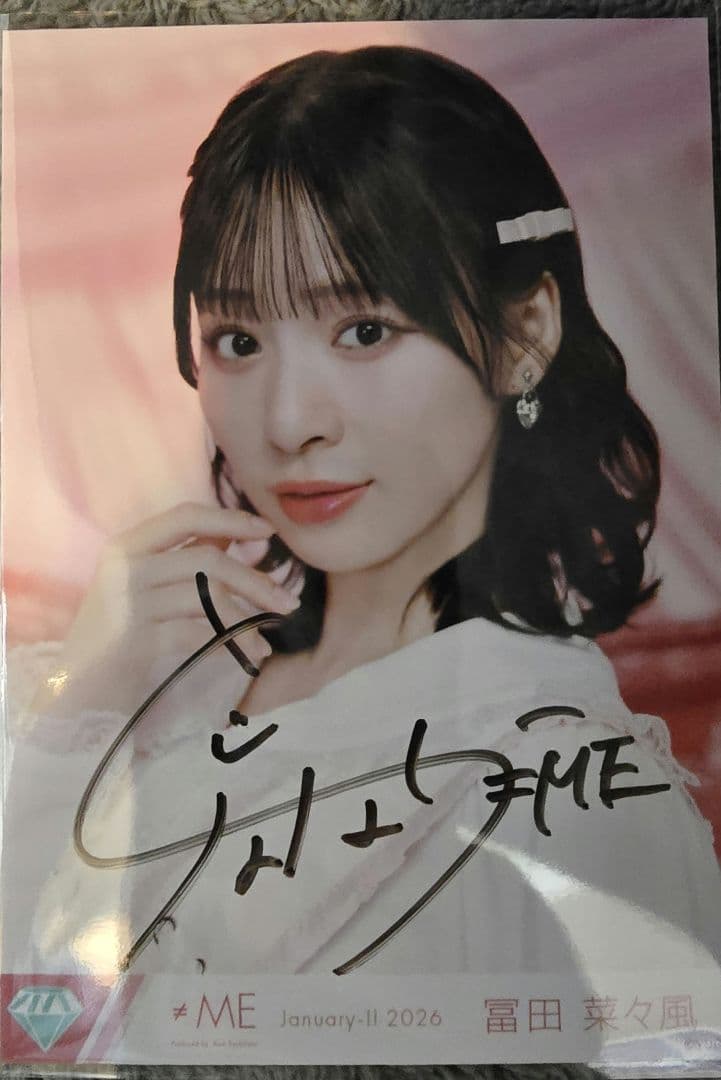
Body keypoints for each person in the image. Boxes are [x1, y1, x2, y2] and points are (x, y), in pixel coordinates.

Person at [5, 45, 721, 1021]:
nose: (288, 420)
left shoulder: (566, 787)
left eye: (365, 331)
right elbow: (36, 1021)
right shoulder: (160, 688)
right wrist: (84, 703)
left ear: (524, 337)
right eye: (237, 341)